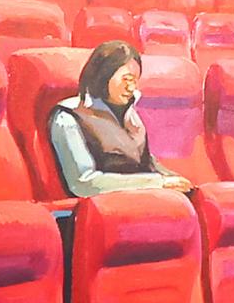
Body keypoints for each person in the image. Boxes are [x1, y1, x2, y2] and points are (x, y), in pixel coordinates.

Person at [45, 43, 164, 199]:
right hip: (96, 207)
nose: (131, 88)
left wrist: (175, 181)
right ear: (104, 76)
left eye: (135, 81)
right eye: (126, 80)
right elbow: (82, 183)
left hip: (140, 201)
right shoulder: (67, 117)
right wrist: (157, 182)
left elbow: (148, 164)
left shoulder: (131, 116)